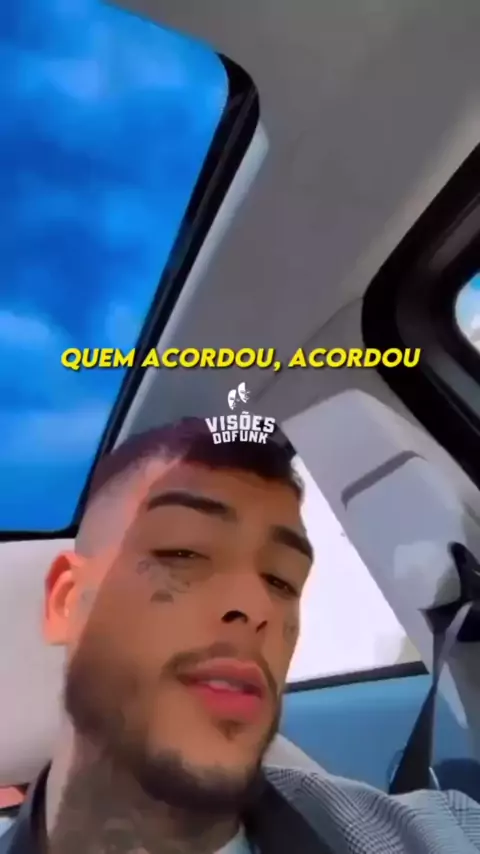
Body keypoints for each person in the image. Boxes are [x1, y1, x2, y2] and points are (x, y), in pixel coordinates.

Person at [2, 417, 480, 854]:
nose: (256, 608)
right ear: (66, 601)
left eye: (281, 581)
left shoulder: (432, 835)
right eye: (184, 553)